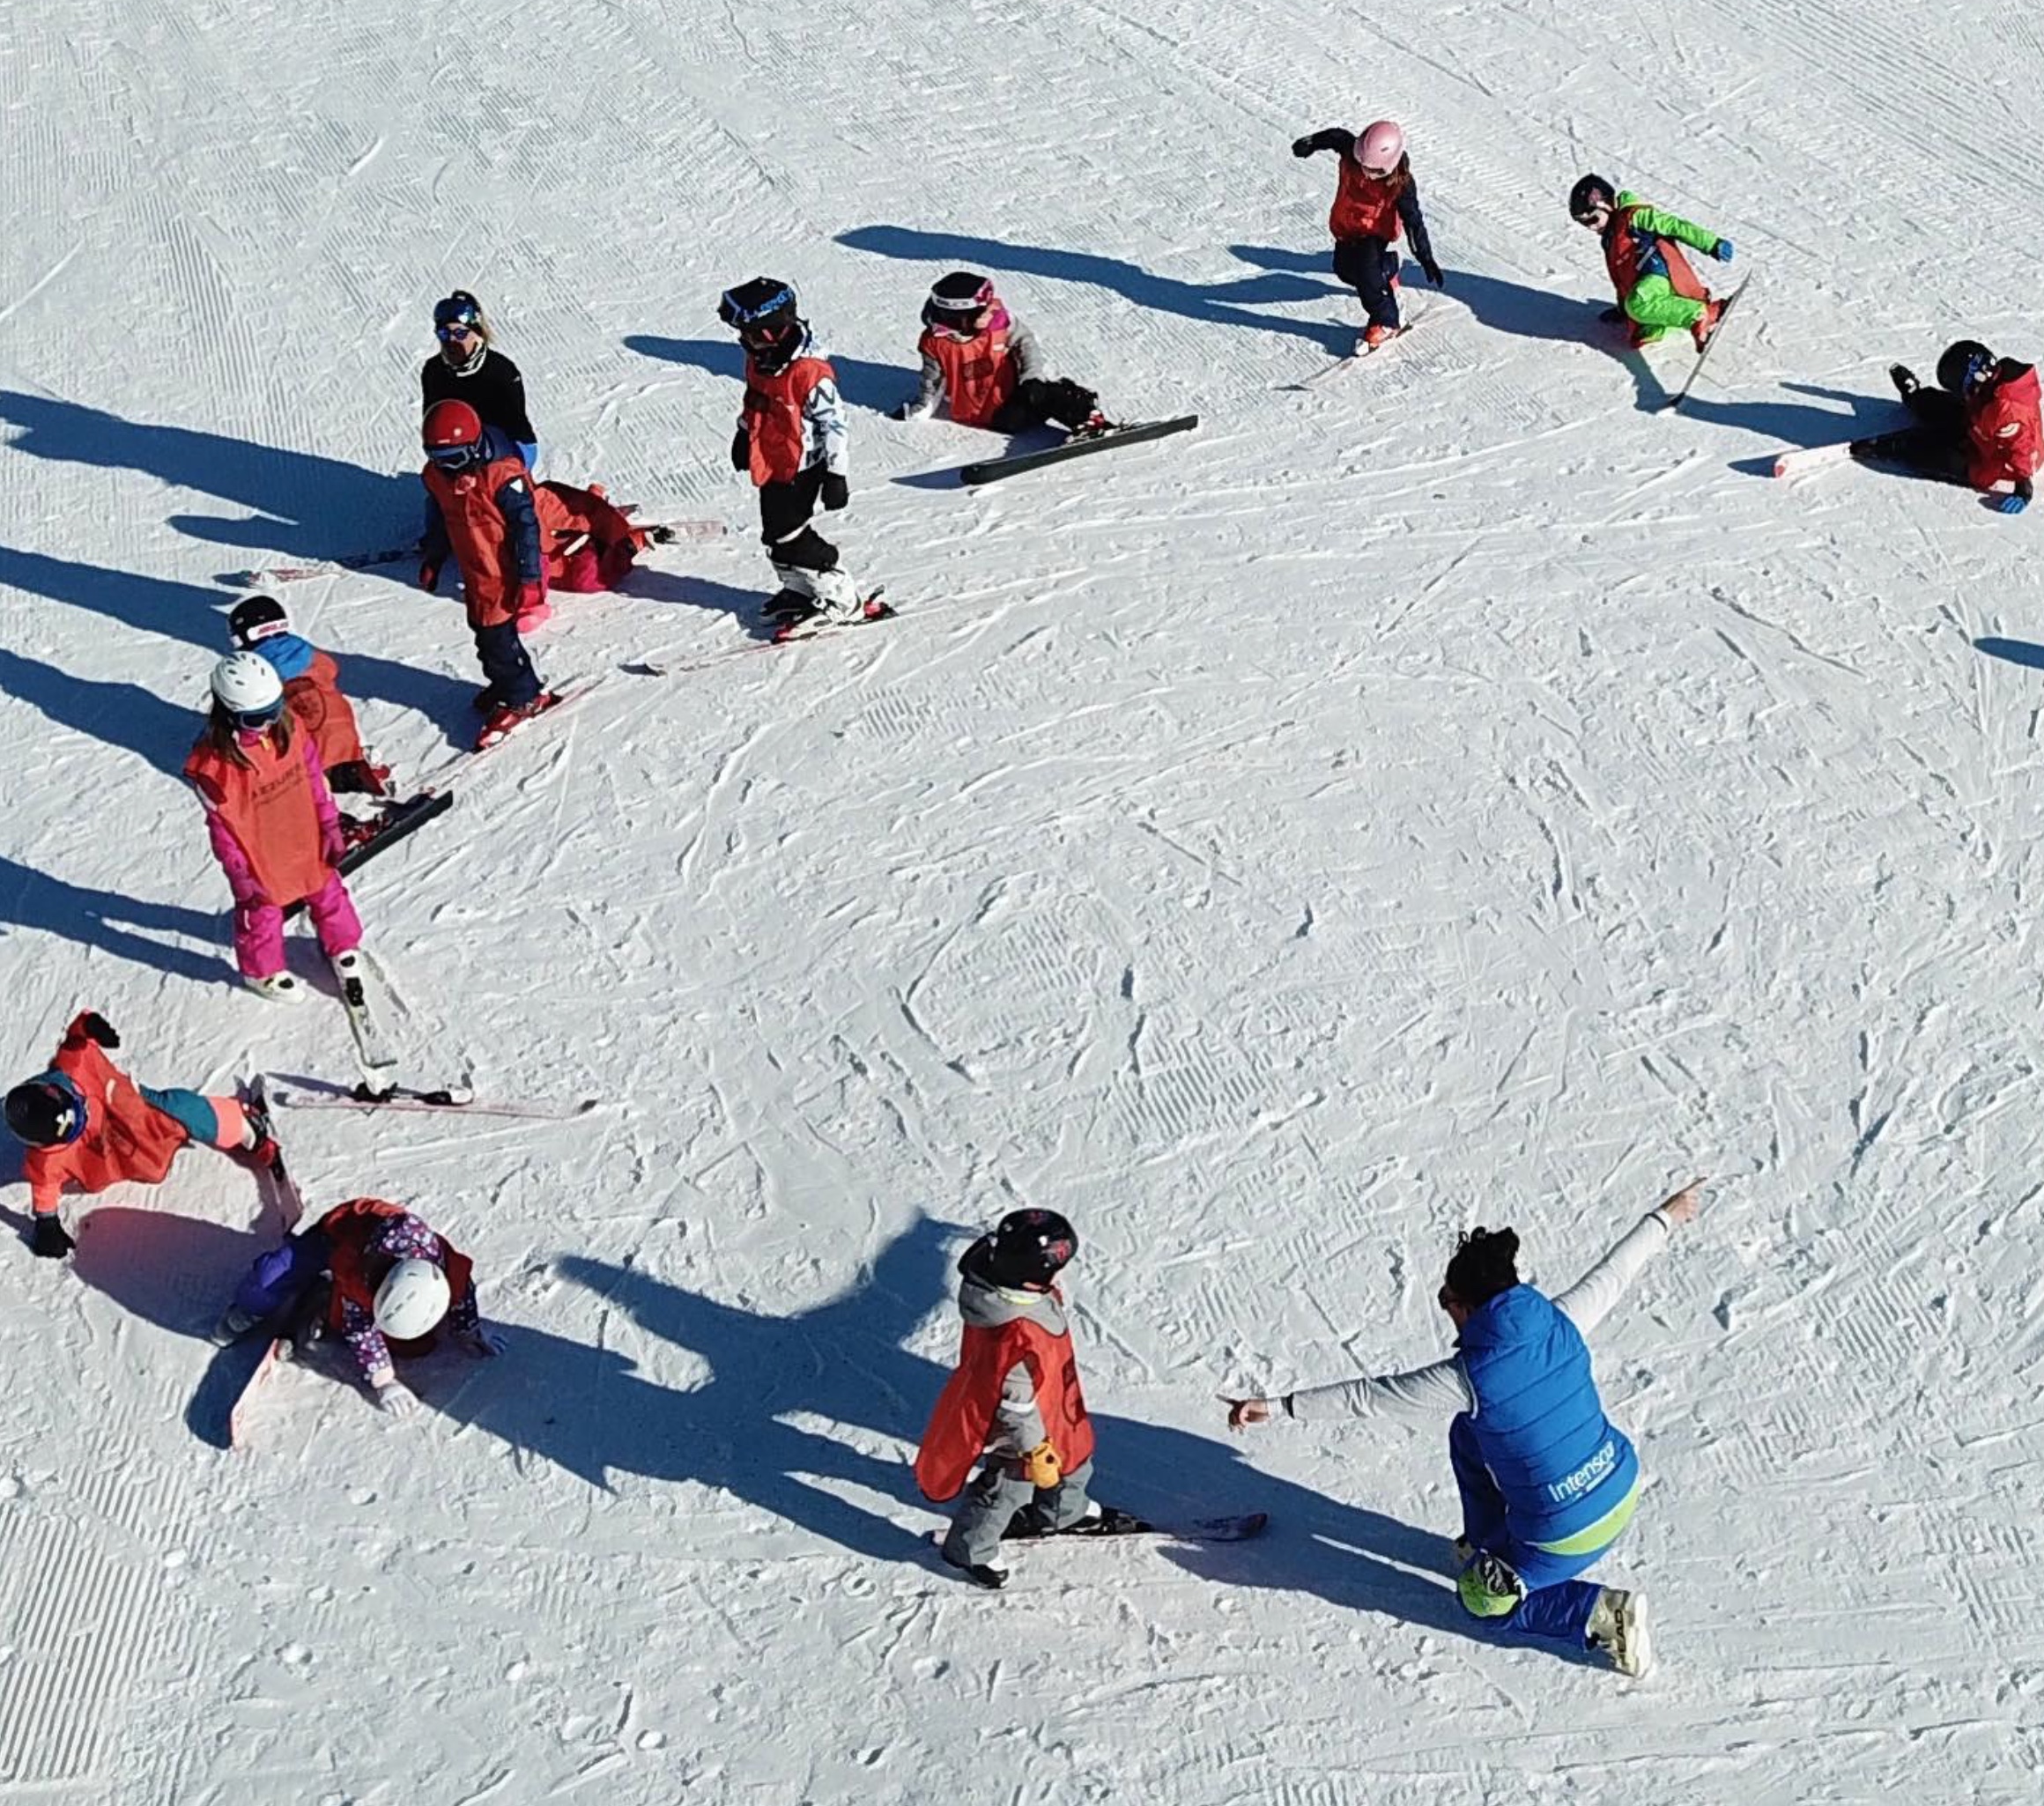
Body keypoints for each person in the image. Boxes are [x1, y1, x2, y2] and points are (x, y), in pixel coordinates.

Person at [1226, 1179, 1707, 1677]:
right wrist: (1667, 1216)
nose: (1445, 1309)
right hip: (1620, 1484)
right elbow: (1618, 1270)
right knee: (1469, 1432)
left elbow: (1368, 1398)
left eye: (1446, 1300)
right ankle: (1486, 1546)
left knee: (1483, 1602)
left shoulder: (1472, 1377)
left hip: (1562, 1536)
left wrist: (1276, 1406)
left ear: (1467, 1307)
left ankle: (1601, 1614)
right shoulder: (1562, 1319)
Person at [915, 1210, 1100, 1588]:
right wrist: (1034, 1451)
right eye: (1053, 1270)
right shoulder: (1013, 1333)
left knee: (1076, 1455)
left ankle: (1063, 1513)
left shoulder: (1003, 1281)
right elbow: (1015, 1407)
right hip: (1023, 1428)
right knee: (1009, 1485)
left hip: (1055, 1401)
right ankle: (969, 1549)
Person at [4, 1012, 277, 1259]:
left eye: (77, 1109)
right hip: (104, 1152)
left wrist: (90, 1026)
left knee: (176, 1108)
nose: (80, 1118)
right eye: (69, 1132)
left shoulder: (73, 1065)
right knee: (152, 1169)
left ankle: (242, 1123)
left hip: (127, 1106)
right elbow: (45, 1185)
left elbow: (76, 1036)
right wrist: (46, 1222)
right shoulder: (46, 1159)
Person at [184, 652, 367, 1003]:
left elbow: (314, 777)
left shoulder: (290, 727)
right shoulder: (214, 768)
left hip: (302, 832)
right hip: (260, 853)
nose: (269, 722)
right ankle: (262, 971)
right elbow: (221, 827)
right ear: (229, 714)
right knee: (263, 911)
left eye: (274, 709)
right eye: (257, 718)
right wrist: (240, 874)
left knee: (327, 889)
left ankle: (342, 945)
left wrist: (329, 824)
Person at [218, 1198, 500, 1414]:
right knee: (270, 1277)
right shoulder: (358, 1278)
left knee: (414, 1347)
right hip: (333, 1238)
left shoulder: (444, 1268)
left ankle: (322, 1299)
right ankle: (254, 1307)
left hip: (373, 1268)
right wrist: (383, 1379)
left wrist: (468, 1330)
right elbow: (361, 1331)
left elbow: (463, 1293)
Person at [718, 277, 874, 628]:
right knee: (773, 533)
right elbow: (754, 400)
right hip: (770, 457)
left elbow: (834, 425)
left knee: (789, 531)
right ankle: (800, 588)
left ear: (776, 331)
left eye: (754, 335)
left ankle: (842, 594)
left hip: (804, 466)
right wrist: (743, 433)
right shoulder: (760, 361)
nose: (747, 343)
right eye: (744, 336)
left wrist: (836, 475)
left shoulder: (809, 372)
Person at [418, 399, 558, 746]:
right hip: (475, 572)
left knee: (498, 640)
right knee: (484, 634)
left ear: (477, 447)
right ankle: (504, 682)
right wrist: (434, 559)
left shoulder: (502, 477)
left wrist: (528, 579)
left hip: (504, 573)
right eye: (440, 460)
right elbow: (439, 522)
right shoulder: (439, 478)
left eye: (456, 460)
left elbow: (527, 528)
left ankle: (523, 696)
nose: (450, 469)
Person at [1292, 120, 1445, 352]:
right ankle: (1389, 268)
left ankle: (1387, 320)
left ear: (1389, 165)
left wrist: (1425, 255)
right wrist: (1311, 143)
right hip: (1347, 226)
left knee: (1367, 277)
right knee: (1344, 270)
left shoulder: (1400, 184)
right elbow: (1336, 136)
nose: (1365, 171)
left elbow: (1413, 220)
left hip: (1375, 231)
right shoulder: (1351, 151)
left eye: (1373, 170)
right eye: (1362, 163)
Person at [894, 273, 1106, 434]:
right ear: (962, 318)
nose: (991, 312)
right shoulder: (935, 342)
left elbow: (1025, 343)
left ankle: (1087, 419)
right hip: (987, 414)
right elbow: (933, 381)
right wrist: (917, 411)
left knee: (1046, 396)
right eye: (983, 312)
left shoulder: (1000, 323)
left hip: (1013, 393)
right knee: (1013, 423)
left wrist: (1032, 377)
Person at [227, 595, 389, 800]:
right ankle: (358, 762)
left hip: (309, 751)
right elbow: (330, 669)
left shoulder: (254, 671)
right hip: (343, 732)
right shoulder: (311, 656)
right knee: (334, 702)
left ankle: (317, 789)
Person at [1853, 341, 2040, 515]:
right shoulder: (1996, 381)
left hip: (1989, 462)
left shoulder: (2007, 413)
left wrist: (2023, 485)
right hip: (1981, 428)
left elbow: (2023, 448)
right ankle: (1917, 397)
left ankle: (1895, 448)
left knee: (1939, 456)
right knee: (1946, 406)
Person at [1568, 174, 1732, 352]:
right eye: (1585, 224)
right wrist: (1622, 310)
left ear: (1607, 206)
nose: (1592, 228)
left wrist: (1711, 243)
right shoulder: (1609, 238)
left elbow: (1674, 226)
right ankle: (1711, 311)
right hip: (1644, 281)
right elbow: (1620, 278)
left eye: (1593, 219)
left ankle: (1697, 316)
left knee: (1638, 304)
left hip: (1658, 273)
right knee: (1639, 324)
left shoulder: (1634, 216)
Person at [421, 291, 538, 470]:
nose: (452, 340)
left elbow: (516, 429)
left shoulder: (501, 371)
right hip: (459, 443)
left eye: (460, 333)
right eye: (444, 333)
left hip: (510, 443)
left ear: (477, 334)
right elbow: (433, 424)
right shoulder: (434, 371)